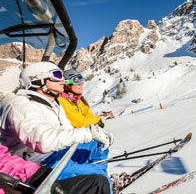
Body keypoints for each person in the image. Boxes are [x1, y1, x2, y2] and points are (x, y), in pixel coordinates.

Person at [0, 62, 114, 193]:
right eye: (57, 75)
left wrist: (93, 134)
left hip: (54, 152)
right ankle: (98, 184)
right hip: (36, 161)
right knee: (95, 174)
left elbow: (67, 129)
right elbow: (43, 141)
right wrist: (87, 133)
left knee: (97, 147)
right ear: (38, 80)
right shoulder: (20, 106)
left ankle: (103, 185)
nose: (63, 80)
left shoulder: (53, 102)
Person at [0, 145, 110, 194]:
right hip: (19, 185)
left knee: (97, 183)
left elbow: (6, 159)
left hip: (33, 175)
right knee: (92, 172)